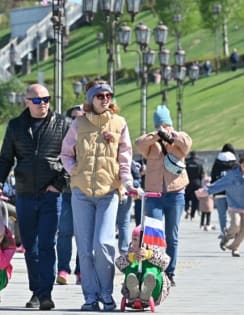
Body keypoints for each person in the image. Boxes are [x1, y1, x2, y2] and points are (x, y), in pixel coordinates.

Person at [61, 81, 141, 311]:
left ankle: (106, 294)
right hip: (81, 192)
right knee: (85, 248)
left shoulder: (119, 123)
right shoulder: (78, 123)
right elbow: (66, 153)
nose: (105, 99)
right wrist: (74, 170)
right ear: (91, 99)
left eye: (108, 95)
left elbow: (125, 157)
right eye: (100, 96)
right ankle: (90, 296)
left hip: (108, 192)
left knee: (104, 243)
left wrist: (128, 183)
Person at [0, 83, 70, 310]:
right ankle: (36, 290)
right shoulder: (16, 126)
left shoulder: (63, 124)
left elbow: (71, 158)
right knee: (30, 246)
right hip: (24, 194)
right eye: (37, 100)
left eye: (46, 99)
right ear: (26, 102)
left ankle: (46, 294)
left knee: (46, 244)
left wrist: (58, 185)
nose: (43, 103)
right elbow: (6, 158)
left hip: (50, 195)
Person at [135, 104, 192, 287]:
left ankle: (170, 271)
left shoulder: (179, 138)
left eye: (166, 123)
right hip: (154, 195)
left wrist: (172, 135)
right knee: (153, 235)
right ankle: (154, 268)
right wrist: (156, 135)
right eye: (161, 124)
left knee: (172, 235)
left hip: (176, 193)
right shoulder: (152, 143)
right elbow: (139, 144)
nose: (163, 127)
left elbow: (187, 145)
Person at [56, 105, 84, 286]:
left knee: (84, 233)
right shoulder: (64, 139)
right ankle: (63, 269)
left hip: (85, 191)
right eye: (73, 117)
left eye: (80, 117)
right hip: (66, 191)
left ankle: (82, 271)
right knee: (65, 232)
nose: (76, 121)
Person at [196, 154, 244, 257]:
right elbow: (219, 184)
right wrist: (206, 190)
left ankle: (235, 248)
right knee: (236, 225)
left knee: (242, 231)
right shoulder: (232, 175)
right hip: (235, 206)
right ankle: (226, 237)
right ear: (240, 164)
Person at [115, 225, 171, 305]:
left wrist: (150, 255)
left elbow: (166, 261)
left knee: (152, 269)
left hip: (154, 291)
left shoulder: (154, 250)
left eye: (141, 241)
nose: (137, 243)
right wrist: (130, 258)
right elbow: (118, 263)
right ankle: (133, 290)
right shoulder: (131, 251)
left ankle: (147, 290)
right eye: (134, 239)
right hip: (134, 287)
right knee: (131, 268)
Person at [210, 143, 238, 237]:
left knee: (222, 214)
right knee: (233, 213)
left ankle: (223, 231)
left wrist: (212, 191)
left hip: (219, 192)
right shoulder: (235, 162)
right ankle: (233, 231)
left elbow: (213, 177)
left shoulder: (217, 162)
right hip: (232, 192)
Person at [184, 151, 204, 220]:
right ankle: (192, 215)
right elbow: (201, 174)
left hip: (188, 182)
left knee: (186, 197)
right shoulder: (199, 163)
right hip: (197, 183)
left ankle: (187, 209)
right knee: (195, 199)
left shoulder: (186, 163)